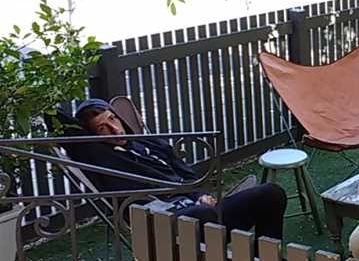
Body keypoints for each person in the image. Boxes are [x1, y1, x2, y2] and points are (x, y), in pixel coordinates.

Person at [70, 98, 287, 241]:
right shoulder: (102, 160)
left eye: (113, 119)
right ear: (93, 137)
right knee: (202, 215)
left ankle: (265, 260)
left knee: (271, 193)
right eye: (103, 128)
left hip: (199, 209)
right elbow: (66, 133)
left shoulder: (149, 143)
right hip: (162, 223)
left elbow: (186, 173)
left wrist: (201, 194)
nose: (114, 129)